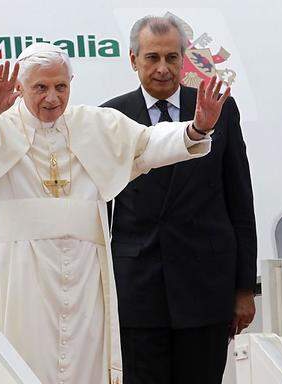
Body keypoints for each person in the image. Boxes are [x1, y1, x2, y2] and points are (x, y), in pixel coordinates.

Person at [0, 42, 230, 384]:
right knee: (22, 361)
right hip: (22, 273)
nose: (53, 97)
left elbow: (147, 145)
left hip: (86, 274)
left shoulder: (95, 124)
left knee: (84, 364)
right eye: (41, 87)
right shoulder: (1, 125)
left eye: (61, 86)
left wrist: (197, 129)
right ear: (21, 87)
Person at [101, 15, 257, 384]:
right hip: (138, 292)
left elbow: (240, 201)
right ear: (133, 60)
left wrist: (244, 289)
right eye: (152, 58)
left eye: (172, 58)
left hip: (204, 289)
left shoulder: (220, 110)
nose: (162, 69)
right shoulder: (110, 117)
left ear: (183, 59)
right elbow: (100, 209)